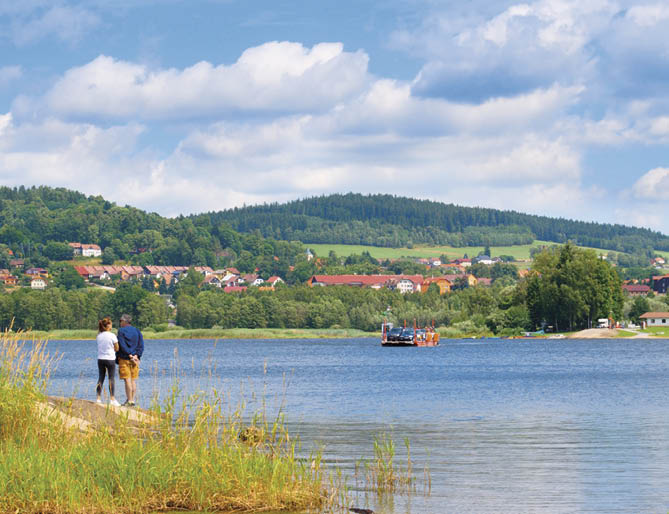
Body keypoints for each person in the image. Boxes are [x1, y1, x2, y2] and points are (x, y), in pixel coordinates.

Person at [117, 313, 144, 407]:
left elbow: (122, 345)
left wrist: (130, 355)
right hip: (135, 359)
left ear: (124, 321)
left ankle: (130, 400)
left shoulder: (121, 331)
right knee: (133, 380)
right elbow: (141, 345)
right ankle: (132, 399)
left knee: (127, 380)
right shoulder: (137, 330)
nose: (120, 323)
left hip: (125, 358)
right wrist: (137, 355)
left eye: (120, 321)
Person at [96, 317, 121, 406]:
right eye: (111, 324)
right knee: (111, 378)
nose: (112, 326)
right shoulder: (112, 335)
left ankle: (98, 398)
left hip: (100, 359)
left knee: (101, 378)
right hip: (110, 359)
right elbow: (117, 348)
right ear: (108, 325)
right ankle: (112, 399)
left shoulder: (99, 336)